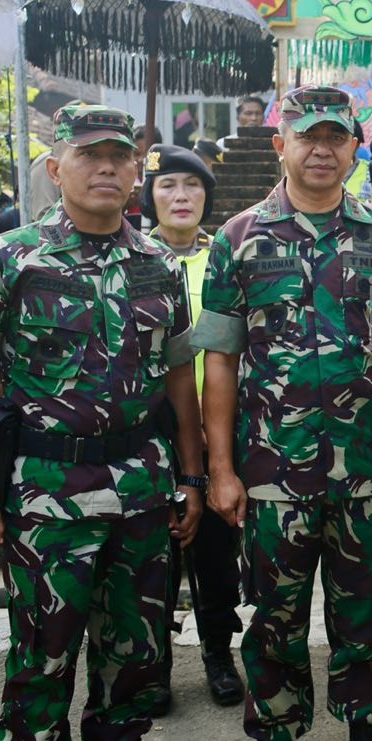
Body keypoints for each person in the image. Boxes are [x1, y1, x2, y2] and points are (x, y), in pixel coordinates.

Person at [0, 103, 206, 738]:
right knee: (40, 664)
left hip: (142, 490)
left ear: (136, 171)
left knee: (135, 666)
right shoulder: (7, 259)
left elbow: (178, 381)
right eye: (89, 156)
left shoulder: (159, 265)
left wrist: (191, 476)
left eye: (119, 156)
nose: (106, 167)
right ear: (56, 168)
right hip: (48, 493)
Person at [194, 85, 372, 741]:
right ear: (280, 145)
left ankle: (367, 725)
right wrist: (220, 469)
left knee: (368, 616)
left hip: (367, 471)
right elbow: (220, 363)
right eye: (307, 136)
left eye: (335, 137)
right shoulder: (237, 240)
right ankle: (277, 726)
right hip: (270, 475)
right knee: (273, 620)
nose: (321, 149)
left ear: (355, 147)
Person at [141, 143, 245, 714]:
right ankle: (154, 665)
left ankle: (217, 654)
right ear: (148, 195)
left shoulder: (226, 257)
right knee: (156, 558)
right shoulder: (134, 258)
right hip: (151, 436)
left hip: (219, 433)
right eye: (167, 187)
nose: (181, 198)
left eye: (193, 187)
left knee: (217, 557)